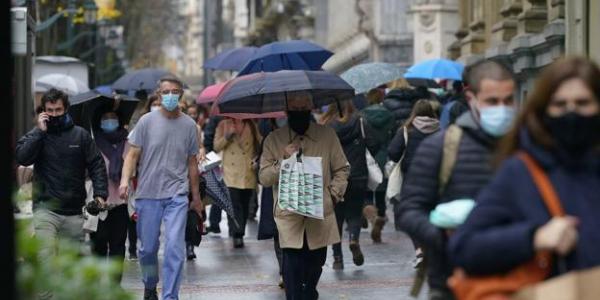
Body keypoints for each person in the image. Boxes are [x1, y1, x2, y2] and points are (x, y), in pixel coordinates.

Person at [449, 57, 600, 279]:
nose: (572, 113)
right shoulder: (521, 172)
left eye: (582, 103)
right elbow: (464, 247)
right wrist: (533, 237)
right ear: (544, 110)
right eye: (560, 105)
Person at [396, 60, 517, 300]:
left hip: (518, 278)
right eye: (492, 101)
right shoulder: (440, 147)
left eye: (509, 100)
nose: (501, 109)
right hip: (453, 281)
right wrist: (445, 235)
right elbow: (408, 211)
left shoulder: (528, 146)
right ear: (471, 97)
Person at [15, 89, 109, 297]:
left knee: (72, 268)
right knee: (45, 263)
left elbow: (97, 165)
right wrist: (39, 132)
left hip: (74, 211)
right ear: (43, 112)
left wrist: (100, 194)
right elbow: (22, 157)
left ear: (66, 109)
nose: (55, 114)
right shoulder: (37, 134)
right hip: (45, 210)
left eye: (58, 110)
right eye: (50, 110)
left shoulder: (81, 135)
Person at [119, 75, 202, 300]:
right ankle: (149, 284)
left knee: (175, 248)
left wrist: (196, 198)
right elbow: (132, 155)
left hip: (177, 194)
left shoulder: (189, 126)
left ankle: (169, 296)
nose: (170, 96)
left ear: (181, 95)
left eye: (175, 92)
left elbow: (192, 163)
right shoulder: (146, 121)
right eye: (166, 92)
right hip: (148, 194)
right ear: (158, 94)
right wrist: (125, 181)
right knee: (147, 249)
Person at [259, 94, 350, 300]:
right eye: (294, 106)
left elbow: (342, 169)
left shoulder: (327, 136)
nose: (299, 110)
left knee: (314, 269)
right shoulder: (274, 140)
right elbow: (264, 178)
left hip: (320, 216)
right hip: (289, 217)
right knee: (291, 275)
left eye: (304, 106)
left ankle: (309, 291)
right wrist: (284, 159)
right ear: (286, 110)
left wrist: (333, 195)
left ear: (311, 107)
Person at [320, 101, 380, 269]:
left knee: (336, 217)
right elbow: (375, 143)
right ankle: (353, 238)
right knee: (354, 213)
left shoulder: (327, 126)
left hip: (335, 178)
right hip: (358, 175)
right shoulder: (360, 122)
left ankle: (337, 258)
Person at [90, 108, 130, 281]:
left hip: (120, 202)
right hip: (98, 201)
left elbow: (134, 167)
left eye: (113, 118)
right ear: (99, 122)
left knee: (118, 246)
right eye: (105, 118)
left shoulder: (128, 143)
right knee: (98, 244)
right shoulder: (92, 142)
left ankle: (115, 286)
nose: (109, 121)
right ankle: (98, 285)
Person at [214, 118, 261, 248]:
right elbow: (216, 147)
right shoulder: (223, 124)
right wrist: (228, 136)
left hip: (247, 172)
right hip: (230, 172)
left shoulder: (251, 124)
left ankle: (238, 230)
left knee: (245, 205)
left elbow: (259, 143)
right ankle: (237, 234)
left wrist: (256, 159)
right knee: (234, 204)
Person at [360, 89, 395, 243]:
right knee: (381, 195)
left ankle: (373, 218)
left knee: (367, 195)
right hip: (383, 157)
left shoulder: (362, 116)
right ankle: (378, 226)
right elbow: (393, 137)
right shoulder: (389, 115)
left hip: (367, 158)